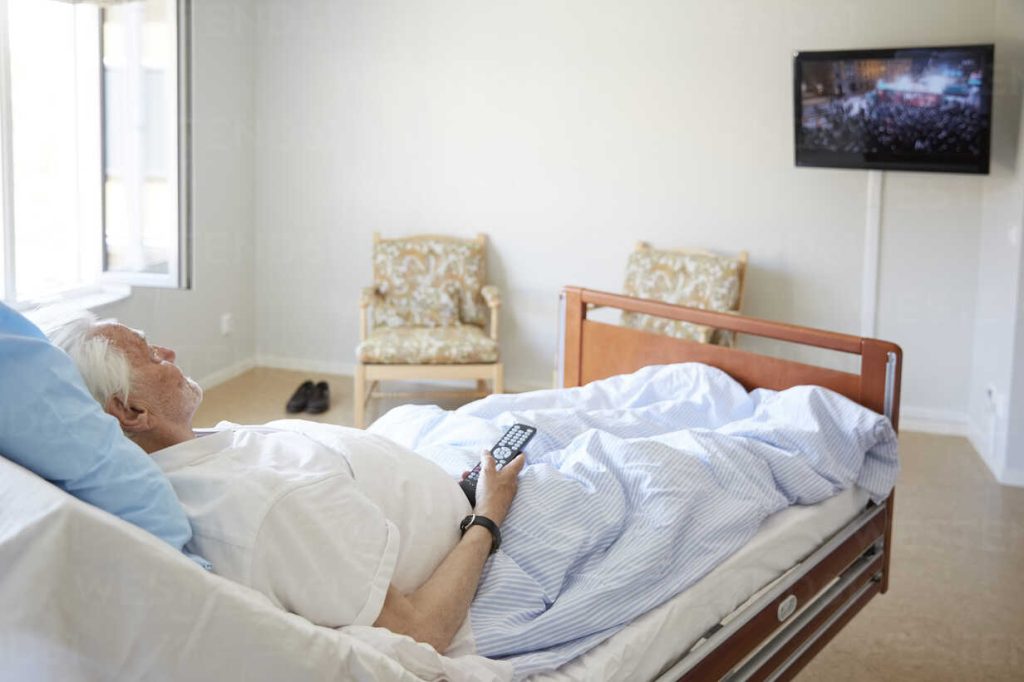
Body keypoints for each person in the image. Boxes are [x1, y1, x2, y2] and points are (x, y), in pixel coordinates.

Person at [50, 314, 524, 654]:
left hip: (435, 471)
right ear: (132, 411)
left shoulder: (189, 454)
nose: (169, 353)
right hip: (478, 528)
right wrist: (488, 513)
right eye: (153, 355)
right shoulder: (267, 505)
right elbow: (421, 631)